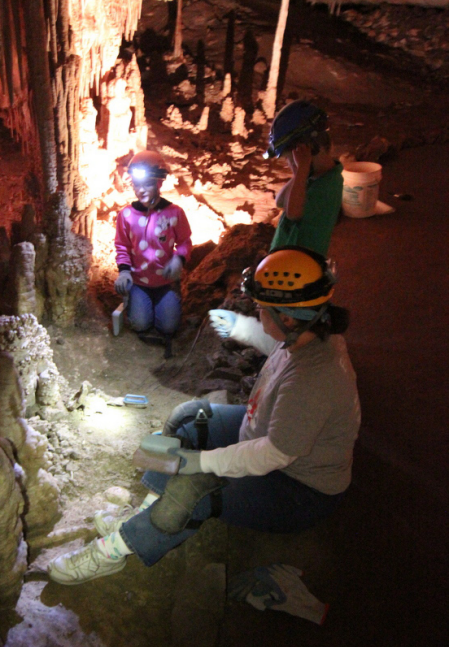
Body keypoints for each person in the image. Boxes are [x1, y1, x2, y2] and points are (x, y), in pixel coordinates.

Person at [47, 246, 361, 585]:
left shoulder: (314, 379)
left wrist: (199, 462)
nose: (258, 313)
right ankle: (144, 513)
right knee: (187, 416)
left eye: (261, 309)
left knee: (194, 488)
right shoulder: (309, 334)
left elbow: (273, 455)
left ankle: (114, 552)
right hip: (267, 434)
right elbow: (278, 348)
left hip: (298, 487)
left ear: (287, 318)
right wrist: (241, 328)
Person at [114, 150, 192, 358]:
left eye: (147, 184)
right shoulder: (127, 215)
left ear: (159, 183)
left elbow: (185, 241)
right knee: (140, 324)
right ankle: (136, 303)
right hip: (140, 282)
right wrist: (124, 271)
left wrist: (178, 259)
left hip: (165, 283)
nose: (141, 190)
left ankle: (165, 306)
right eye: (137, 185)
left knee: (169, 327)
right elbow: (122, 246)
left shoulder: (174, 213)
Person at [267, 100, 344, 256]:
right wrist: (300, 173)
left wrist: (301, 169)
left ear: (311, 149)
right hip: (288, 261)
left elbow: (293, 213)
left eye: (290, 160)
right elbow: (280, 201)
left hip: (301, 266)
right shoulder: (311, 177)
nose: (290, 165)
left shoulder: (328, 185)